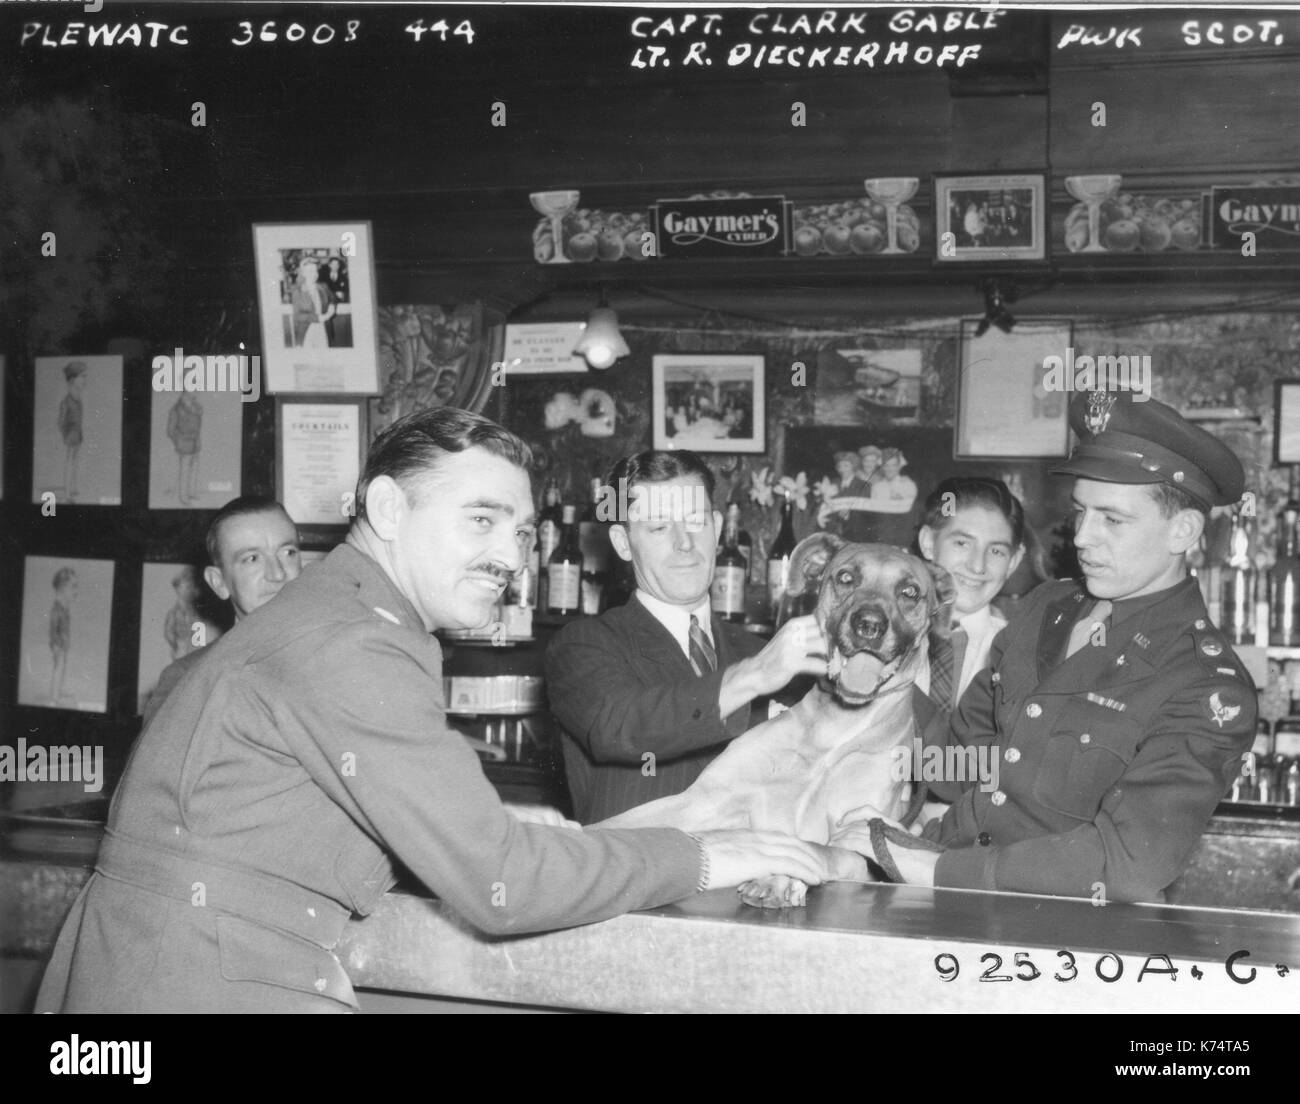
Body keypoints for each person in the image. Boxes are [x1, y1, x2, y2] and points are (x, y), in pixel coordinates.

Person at [37, 409, 838, 1013]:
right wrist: (706, 855)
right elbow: (502, 886)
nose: (510, 557)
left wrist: (506, 831)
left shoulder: (335, 613)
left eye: (523, 532)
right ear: (388, 509)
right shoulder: (355, 641)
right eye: (481, 520)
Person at [856, 392, 1257, 904]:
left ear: (1182, 530)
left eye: (1112, 519)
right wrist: (880, 664)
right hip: (941, 898)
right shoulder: (1049, 606)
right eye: (1081, 512)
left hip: (1062, 941)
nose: (1083, 538)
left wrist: (932, 868)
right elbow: (958, 766)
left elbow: (1130, 863)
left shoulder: (1206, 684)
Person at [546, 449, 830, 824]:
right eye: (659, 527)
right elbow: (622, 727)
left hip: (753, 875)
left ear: (716, 527)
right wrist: (752, 678)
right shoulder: (584, 645)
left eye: (696, 522)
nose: (684, 542)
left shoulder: (760, 652)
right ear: (622, 542)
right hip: (645, 876)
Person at [142, 496, 302, 726]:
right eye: (252, 559)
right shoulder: (186, 683)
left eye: (288, 552)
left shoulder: (344, 657)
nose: (277, 574)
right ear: (219, 583)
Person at [914, 477, 1027, 717]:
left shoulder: (1020, 655)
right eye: (962, 543)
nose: (977, 566)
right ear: (928, 543)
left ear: (1013, 561)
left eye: (996, 551)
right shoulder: (883, 634)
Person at [166, 392, 203, 505]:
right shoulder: (176, 409)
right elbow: (170, 430)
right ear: (184, 395)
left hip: (195, 441)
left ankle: (191, 492)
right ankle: (183, 497)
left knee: (194, 468)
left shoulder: (195, 405)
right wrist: (179, 441)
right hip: (184, 443)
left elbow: (200, 413)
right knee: (185, 470)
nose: (195, 392)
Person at [48, 567, 77, 706]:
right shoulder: (57, 609)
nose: (75, 592)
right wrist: (54, 643)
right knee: (58, 667)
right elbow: (54, 626)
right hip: (58, 643)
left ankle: (59, 691)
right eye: (73, 587)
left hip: (63, 643)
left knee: (63, 666)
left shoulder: (64, 609)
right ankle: (54, 697)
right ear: (62, 587)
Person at [290, 258, 336, 348]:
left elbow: (333, 299)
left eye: (315, 271)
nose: (314, 274)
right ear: (304, 273)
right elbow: (297, 316)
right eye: (310, 271)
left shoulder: (323, 287)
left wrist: (332, 306)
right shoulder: (297, 292)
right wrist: (318, 318)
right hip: (307, 330)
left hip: (323, 328)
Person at [58, 361, 87, 501]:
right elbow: (61, 422)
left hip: (77, 434)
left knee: (75, 460)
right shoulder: (66, 401)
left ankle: (73, 487)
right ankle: (67, 492)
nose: (84, 380)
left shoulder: (78, 399)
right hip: (71, 435)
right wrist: (66, 434)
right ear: (72, 379)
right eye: (82, 376)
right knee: (69, 460)